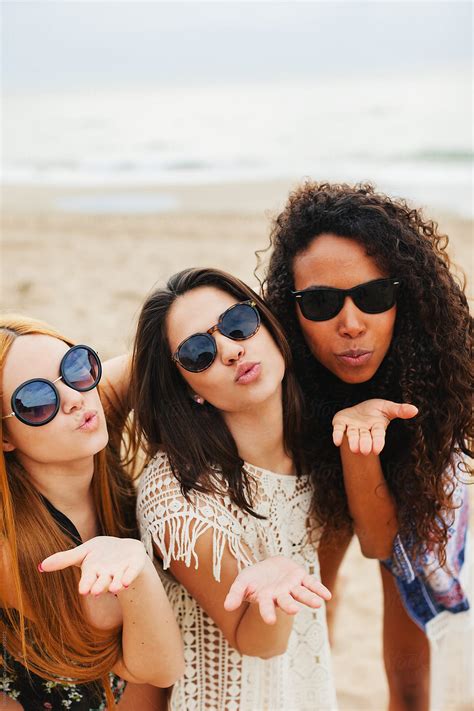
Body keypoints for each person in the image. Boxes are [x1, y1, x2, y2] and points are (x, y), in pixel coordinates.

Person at [128, 266, 416, 711]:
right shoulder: (178, 495)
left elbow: (379, 542)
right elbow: (256, 642)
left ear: (268, 324)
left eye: (238, 324)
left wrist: (358, 444)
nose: (229, 350)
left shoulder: (313, 450)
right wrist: (275, 589)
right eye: (197, 352)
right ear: (189, 389)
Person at [261, 181, 473, 711]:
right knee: (311, 598)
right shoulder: (273, 371)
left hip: (411, 445)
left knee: (408, 618)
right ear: (292, 310)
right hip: (312, 436)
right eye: (321, 302)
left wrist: (362, 443)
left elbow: (383, 545)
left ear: (407, 295)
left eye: (374, 296)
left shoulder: (445, 373)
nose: (351, 324)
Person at [0, 315, 184, 711]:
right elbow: (158, 666)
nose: (72, 398)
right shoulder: (21, 551)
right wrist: (134, 563)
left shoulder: (89, 412)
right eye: (36, 401)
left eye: (76, 367)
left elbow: (171, 344)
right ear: (4, 436)